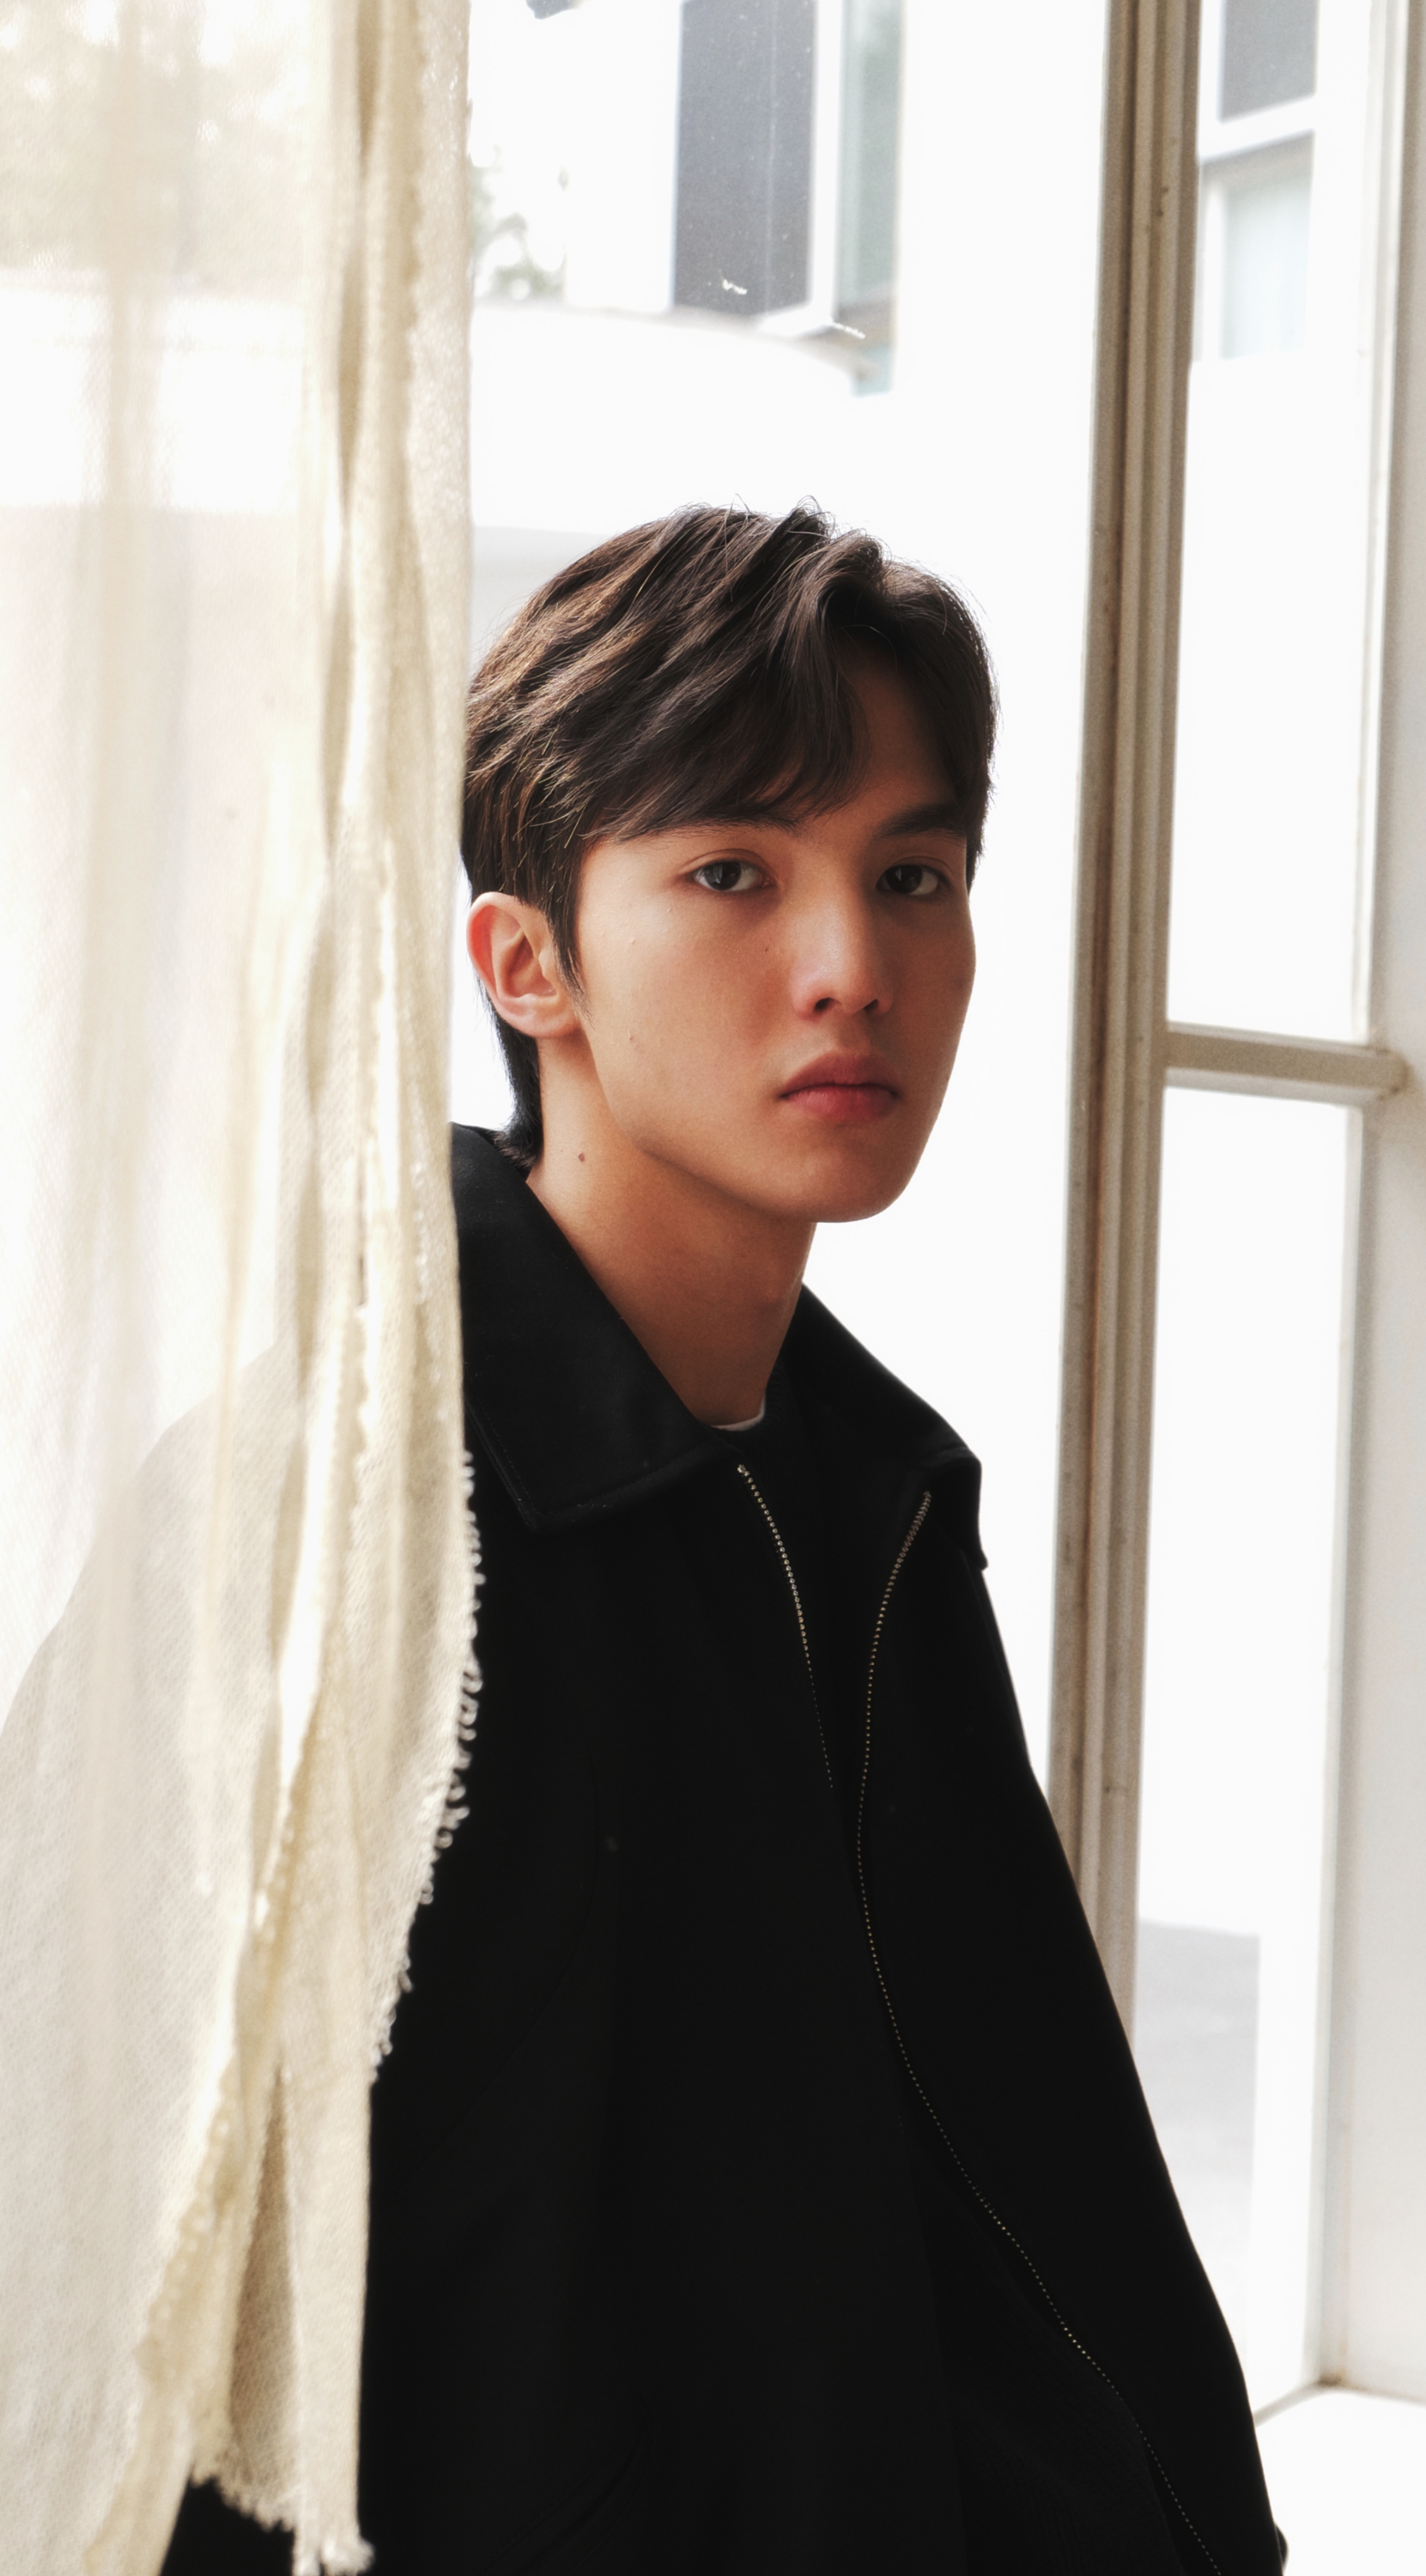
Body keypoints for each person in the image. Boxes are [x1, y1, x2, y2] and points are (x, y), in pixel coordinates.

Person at [167, 506, 1284, 2573]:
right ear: (527, 964)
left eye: (912, 876)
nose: (853, 966)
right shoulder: (365, 1526)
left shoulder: (861, 1491)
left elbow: (1014, 2195)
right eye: (732, 874)